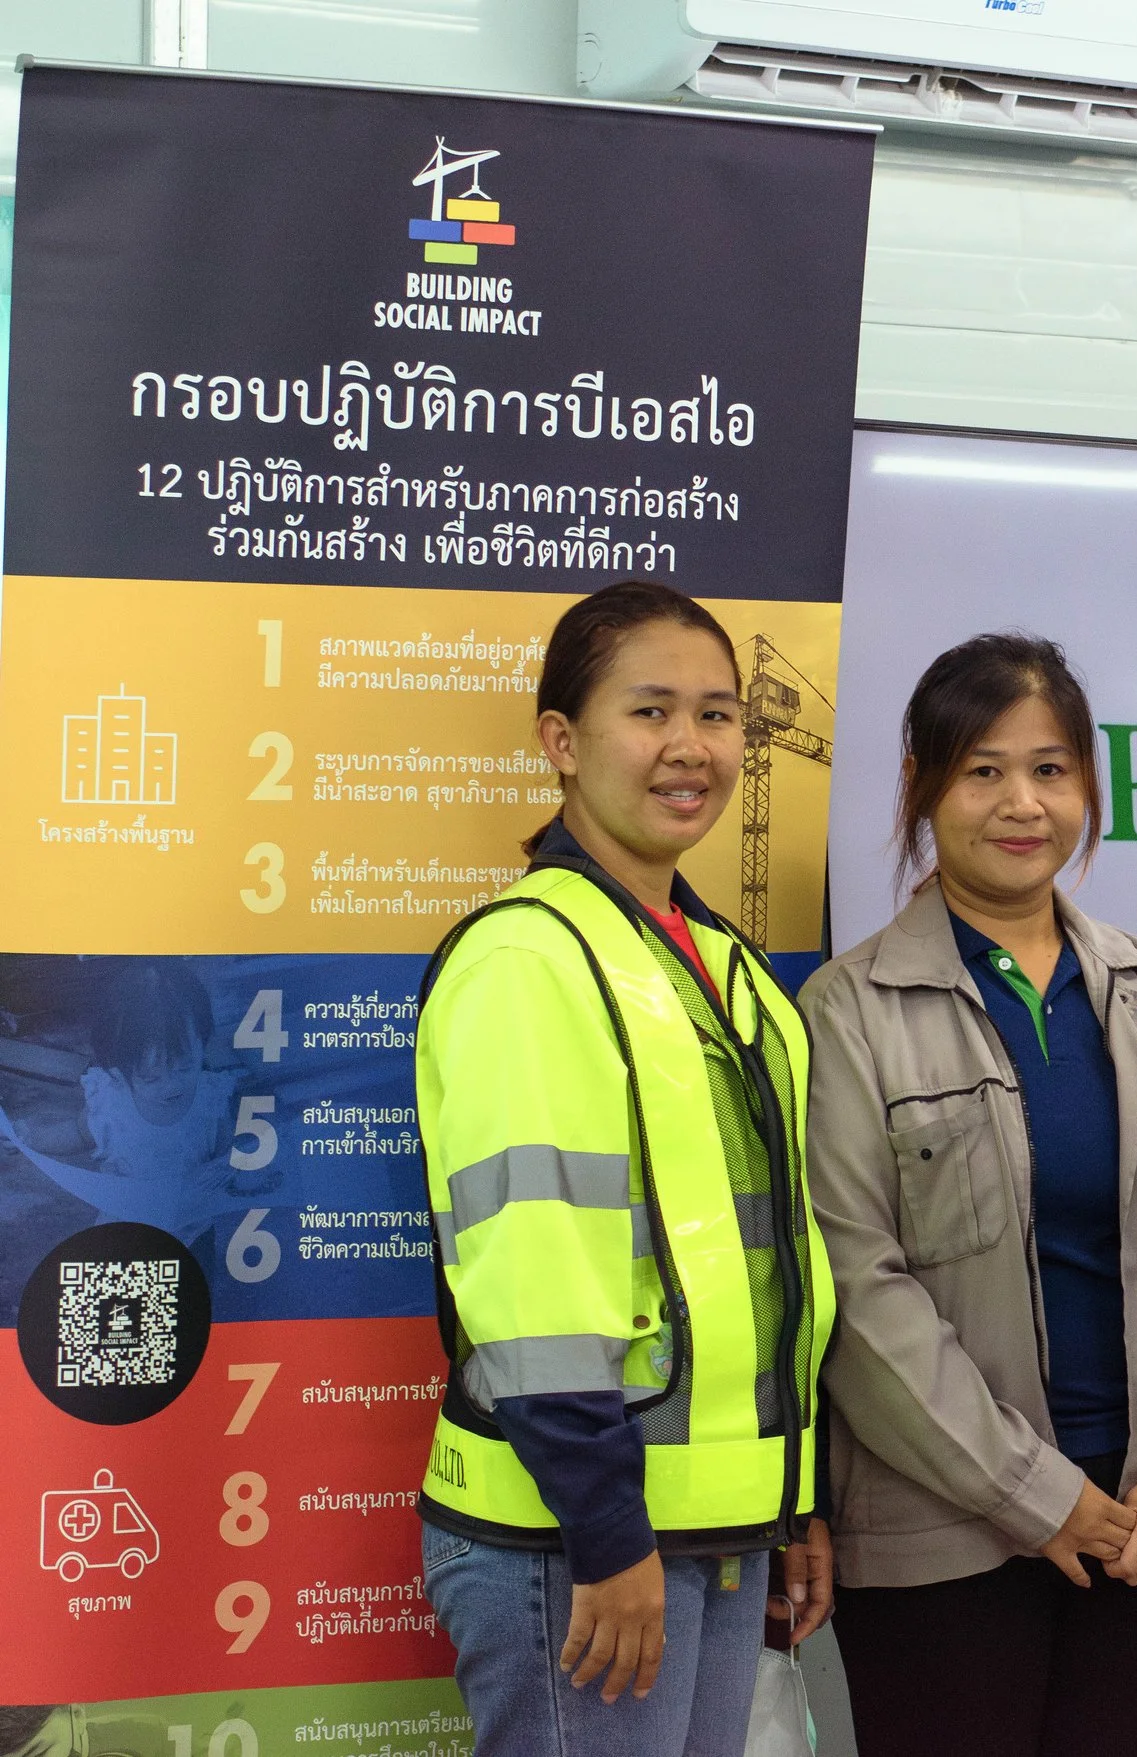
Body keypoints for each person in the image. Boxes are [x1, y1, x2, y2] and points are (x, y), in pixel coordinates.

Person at [801, 632, 1137, 1757]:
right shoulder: (847, 1009)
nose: (1022, 802)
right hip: (946, 1538)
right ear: (921, 785)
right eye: (982, 770)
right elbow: (859, 1291)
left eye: (1051, 768)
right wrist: (1036, 1492)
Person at [415, 581, 838, 1757]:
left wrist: (788, 1501)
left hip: (715, 1533)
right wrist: (606, 1533)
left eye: (716, 714)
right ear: (561, 740)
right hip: (574, 1545)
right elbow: (535, 1281)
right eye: (650, 711)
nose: (691, 747)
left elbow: (770, 1278)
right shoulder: (528, 958)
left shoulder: (738, 975)